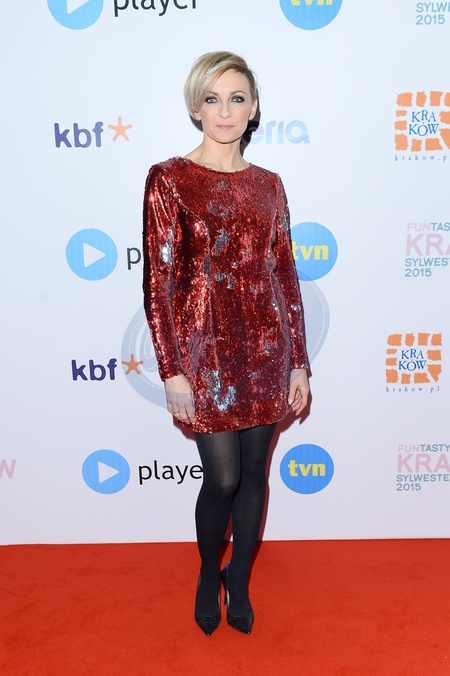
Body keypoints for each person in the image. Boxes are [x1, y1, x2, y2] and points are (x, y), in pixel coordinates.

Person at [142, 51, 310, 636]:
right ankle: (206, 572)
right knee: (223, 478)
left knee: (256, 472)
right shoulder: (169, 179)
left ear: (254, 108)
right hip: (204, 358)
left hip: (266, 351)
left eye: (237, 98)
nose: (225, 111)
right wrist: (172, 369)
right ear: (196, 107)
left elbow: (284, 274)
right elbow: (158, 283)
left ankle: (238, 577)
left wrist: (299, 362)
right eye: (212, 99)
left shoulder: (269, 186)